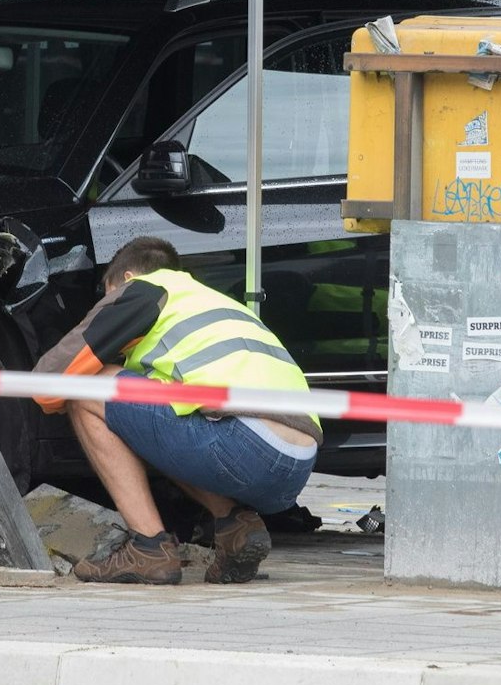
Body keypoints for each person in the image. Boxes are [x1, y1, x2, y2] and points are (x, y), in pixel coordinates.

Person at [34, 237, 320, 585]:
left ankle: (148, 548)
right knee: (166, 411)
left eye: (108, 296)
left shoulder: (142, 289)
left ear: (125, 278)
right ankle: (235, 526)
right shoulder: (211, 301)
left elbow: (49, 384)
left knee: (85, 388)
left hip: (242, 444)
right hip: (296, 466)